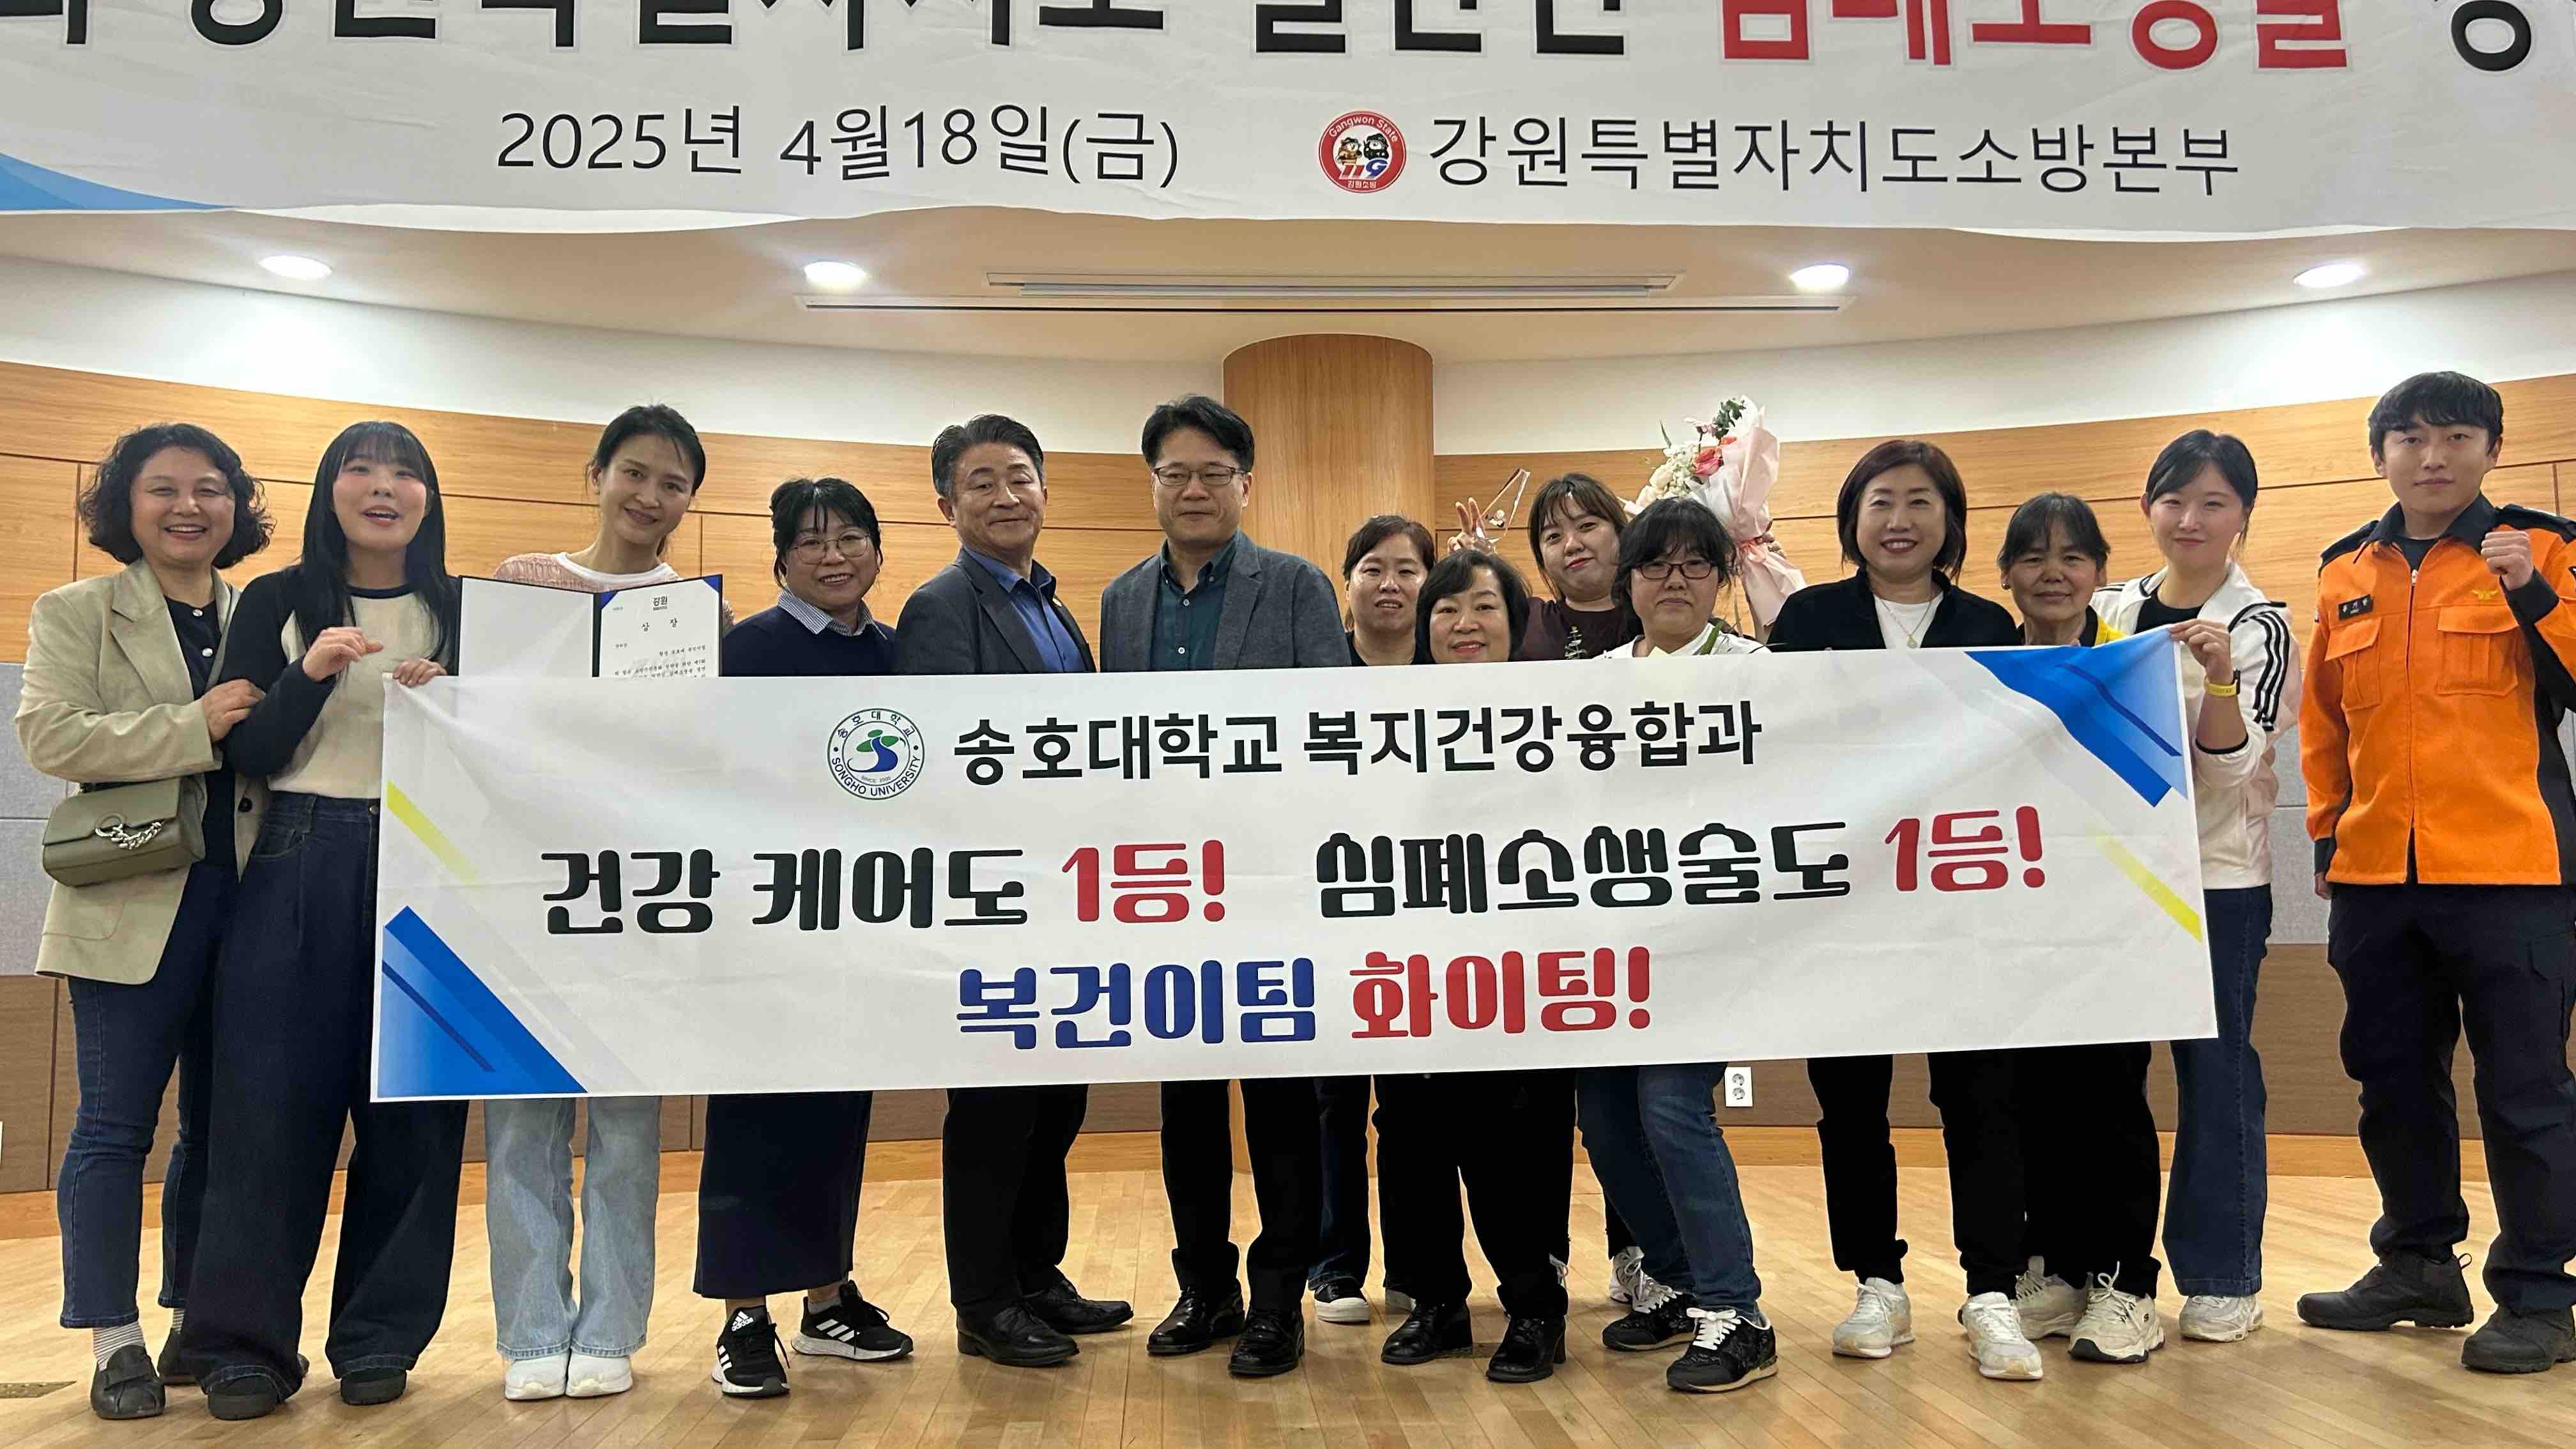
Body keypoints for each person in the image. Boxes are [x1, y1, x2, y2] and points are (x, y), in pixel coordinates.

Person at [175, 421, 468, 1420]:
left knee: (414, 1115)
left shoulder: (460, 608)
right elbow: (246, 750)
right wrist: (310, 676)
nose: (383, 488)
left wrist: (459, 702)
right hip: (297, 850)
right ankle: (244, 1346)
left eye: (404, 474)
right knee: (265, 1111)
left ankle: (380, 1339)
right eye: (362, 471)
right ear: (330, 492)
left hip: (432, 865)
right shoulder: (278, 599)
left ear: (429, 496)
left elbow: (509, 745)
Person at [2297, 371, 2576, 1376]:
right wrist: (2328, 837)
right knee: (2392, 1083)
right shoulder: (2344, 568)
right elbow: (2324, 721)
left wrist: (2532, 594)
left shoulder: (2546, 549)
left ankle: (2540, 1295)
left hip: (2513, 871)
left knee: (2527, 1091)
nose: (2433, 456)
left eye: (2457, 436)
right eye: (2411, 438)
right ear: (2381, 456)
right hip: (2378, 876)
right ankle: (2417, 1265)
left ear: (2492, 450)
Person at [1765, 440, 2039, 1381]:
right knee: (1850, 1105)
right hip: (1844, 907)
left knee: (1982, 1100)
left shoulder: (1989, 625)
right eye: (1881, 501)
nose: (1899, 520)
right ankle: (1875, 1282)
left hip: (1962, 900)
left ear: (1950, 520)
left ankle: (1992, 1288)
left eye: (1921, 501)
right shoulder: (1810, 619)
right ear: (1853, 519)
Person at [19, 424, 272, 1420]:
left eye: (210, 489)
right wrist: (192, 725)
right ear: (125, 504)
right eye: (163, 488)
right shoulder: (77, 609)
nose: (188, 507)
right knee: (114, 1128)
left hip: (250, 905)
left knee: (219, 1132)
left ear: (235, 509)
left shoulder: (267, 614)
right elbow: (50, 735)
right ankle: (112, 1339)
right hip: (128, 901)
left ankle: (196, 1324)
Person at [1101, 394, 1344, 1377]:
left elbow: (1332, 731)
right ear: (1153, 485)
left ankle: (1280, 1298)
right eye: (1175, 473)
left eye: (1213, 473)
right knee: (1189, 1108)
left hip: (1269, 884)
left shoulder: (1294, 586)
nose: (1193, 489)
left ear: (1246, 484)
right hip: (1165, 891)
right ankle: (1205, 1286)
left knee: (1283, 1105)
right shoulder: (1121, 600)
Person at [479, 404, 710, 1402]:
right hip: (525, 891)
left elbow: (703, 756)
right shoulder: (523, 583)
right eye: (635, 473)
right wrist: (438, 687)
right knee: (522, 1125)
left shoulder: (696, 615)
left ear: (689, 500)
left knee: (625, 1127)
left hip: (640, 898)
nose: (649, 496)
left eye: (672, 483)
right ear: (598, 474)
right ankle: (533, 1331)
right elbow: (483, 723)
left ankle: (611, 1328)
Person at [900, 414, 1133, 1369]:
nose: (1007, 497)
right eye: (982, 482)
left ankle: (1038, 1274)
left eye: (1021, 478)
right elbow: (945, 762)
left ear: (1044, 489)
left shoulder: (1054, 603)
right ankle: (986, 1301)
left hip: (1071, 893)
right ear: (947, 503)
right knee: (994, 1111)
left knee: (1057, 1102)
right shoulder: (940, 606)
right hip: (997, 896)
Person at [696, 477, 916, 1397]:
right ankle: (743, 1316)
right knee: (754, 1116)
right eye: (813, 541)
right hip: (763, 919)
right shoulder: (745, 649)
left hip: (862, 922)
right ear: (781, 557)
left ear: (877, 550)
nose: (835, 556)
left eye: (852, 537)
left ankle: (827, 1299)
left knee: (837, 1113)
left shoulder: (899, 653)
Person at [2090, 433, 2303, 1345]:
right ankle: (2100, 1267)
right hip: (2109, 876)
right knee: (2103, 1078)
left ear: (2243, 515)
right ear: (2148, 508)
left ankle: (2222, 1275)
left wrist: (2217, 679)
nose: (2190, 520)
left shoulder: (2259, 626)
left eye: (2214, 503)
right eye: (2174, 500)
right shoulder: (2109, 607)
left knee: (2214, 1075)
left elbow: (2230, 771)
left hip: (2215, 879)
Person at [1576, 499, 1779, 1395]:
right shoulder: (1590, 681)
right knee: (1604, 1116)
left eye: (1696, 564)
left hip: (1712, 943)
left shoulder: (1761, 673)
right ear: (1627, 581)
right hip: (1612, 940)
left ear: (1721, 578)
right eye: (1656, 564)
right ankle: (1677, 1278)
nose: (1675, 580)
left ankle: (1738, 1311)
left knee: (1671, 1108)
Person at [1361, 549, 1577, 1383]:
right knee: (1408, 1134)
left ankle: (1535, 1306)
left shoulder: (1552, 715)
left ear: (1515, 623)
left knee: (1503, 1141)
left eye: (1484, 607)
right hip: (1405, 963)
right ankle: (1436, 1303)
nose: (1464, 625)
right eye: (1447, 610)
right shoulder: (1382, 716)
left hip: (1511, 967)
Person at [1453, 475, 1650, 1302]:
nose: (1573, 545)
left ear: (1623, 534)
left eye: (1589, 526)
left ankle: (1640, 1255)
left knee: (1627, 1099)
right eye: (1553, 534)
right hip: (1531, 893)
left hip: (1632, 887)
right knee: (1537, 1102)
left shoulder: (1656, 619)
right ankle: (1547, 1254)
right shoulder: (1524, 624)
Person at [1991, 494, 2172, 1367]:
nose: (2052, 573)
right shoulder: (1979, 672)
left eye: (2072, 557)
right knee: (2031, 1100)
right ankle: (2057, 1268)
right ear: (2006, 575)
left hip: (2114, 917)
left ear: (2100, 571)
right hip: (2012, 922)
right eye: (2032, 557)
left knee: (2110, 1099)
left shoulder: (2133, 666)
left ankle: (2127, 1281)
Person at [1306, 514, 1436, 1328]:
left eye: (1409, 570)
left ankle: (1417, 1267)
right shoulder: (1312, 672)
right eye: (1373, 569)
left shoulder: (1452, 674)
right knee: (1334, 1106)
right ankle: (1335, 1267)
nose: (1390, 585)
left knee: (1413, 1110)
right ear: (1346, 582)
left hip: (1426, 916)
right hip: (1331, 915)